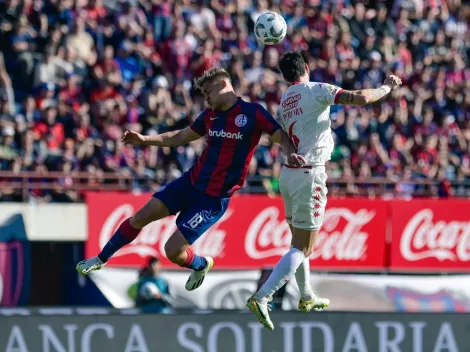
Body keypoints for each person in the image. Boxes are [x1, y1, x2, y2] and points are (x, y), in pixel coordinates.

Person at [76, 67, 304, 292]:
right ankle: (101, 258)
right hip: (189, 183)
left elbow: (279, 137)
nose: (206, 100)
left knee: (172, 250)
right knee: (140, 217)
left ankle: (201, 264)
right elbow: (181, 135)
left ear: (223, 86)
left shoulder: (253, 113)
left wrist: (289, 152)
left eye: (208, 94)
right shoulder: (210, 116)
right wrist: (145, 140)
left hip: (212, 200)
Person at [247, 52, 402, 330]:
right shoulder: (316, 90)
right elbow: (361, 98)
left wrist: (291, 152)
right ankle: (263, 296)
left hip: (288, 174)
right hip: (310, 173)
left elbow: (277, 137)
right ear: (307, 67)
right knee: (304, 247)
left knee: (297, 243)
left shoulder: (285, 101)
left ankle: (306, 295)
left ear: (285, 76)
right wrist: (387, 87)